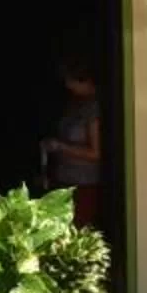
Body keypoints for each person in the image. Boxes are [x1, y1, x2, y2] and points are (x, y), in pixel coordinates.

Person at [42, 58, 106, 230]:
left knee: (79, 231)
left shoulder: (94, 108)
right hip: (64, 179)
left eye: (69, 80)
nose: (67, 85)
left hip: (84, 183)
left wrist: (60, 146)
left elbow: (96, 153)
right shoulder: (74, 103)